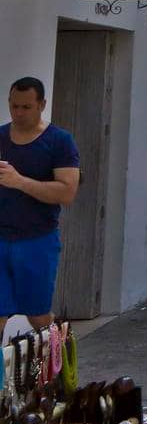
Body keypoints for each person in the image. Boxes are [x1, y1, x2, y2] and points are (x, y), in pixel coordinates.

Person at [0, 78, 80, 330]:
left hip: (37, 238)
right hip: (1, 237)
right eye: (14, 106)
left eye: (26, 107)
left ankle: (59, 365)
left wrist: (19, 181)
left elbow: (67, 192)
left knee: (38, 316)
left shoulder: (59, 141)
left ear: (41, 105)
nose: (19, 113)